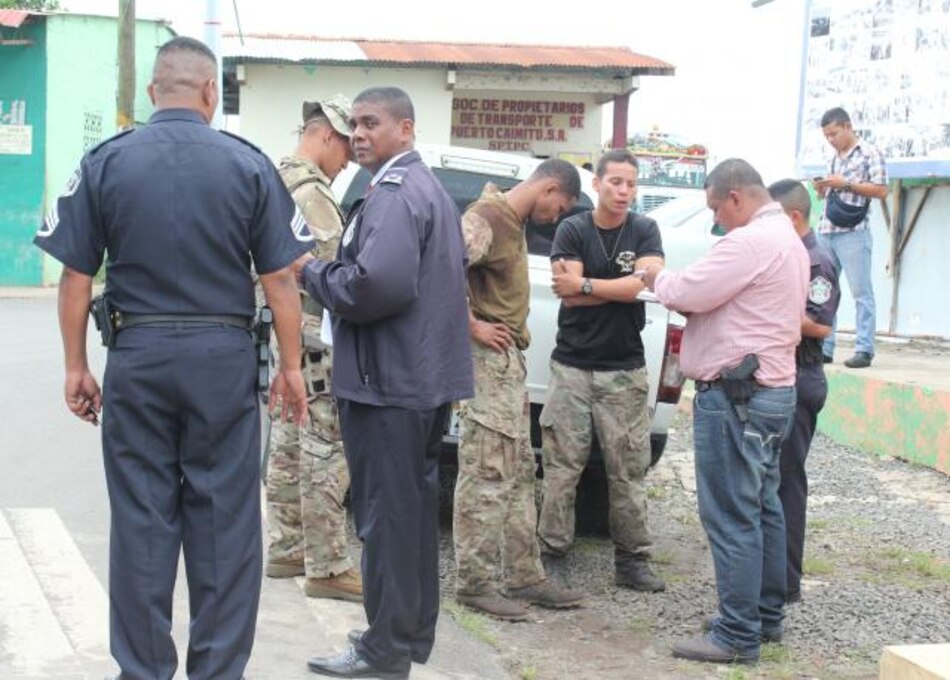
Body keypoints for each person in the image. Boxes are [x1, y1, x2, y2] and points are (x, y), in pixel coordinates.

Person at [33, 37, 310, 680]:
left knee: (141, 522)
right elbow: (280, 281)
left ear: (153, 92)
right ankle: (216, 672)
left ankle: (143, 671)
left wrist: (76, 366)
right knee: (225, 525)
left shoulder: (105, 161)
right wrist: (293, 369)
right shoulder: (248, 164)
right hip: (222, 359)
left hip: (139, 355)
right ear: (211, 92)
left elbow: (76, 277)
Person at [297, 86, 473, 680]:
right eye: (356, 125)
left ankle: (383, 652)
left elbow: (377, 287)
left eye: (373, 123)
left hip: (388, 384)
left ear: (407, 129)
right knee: (409, 520)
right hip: (411, 380)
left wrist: (314, 272)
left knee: (386, 521)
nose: (361, 134)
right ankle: (401, 635)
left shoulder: (398, 194)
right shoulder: (418, 188)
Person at [642, 158, 809, 664]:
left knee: (733, 514)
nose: (717, 221)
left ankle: (738, 635)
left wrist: (655, 274)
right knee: (762, 506)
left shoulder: (750, 241)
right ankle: (763, 616)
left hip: (738, 395)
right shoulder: (788, 238)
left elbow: (689, 291)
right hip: (769, 391)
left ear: (735, 197)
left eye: (717, 209)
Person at [453, 159, 586, 621]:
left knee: (517, 472)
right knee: (486, 471)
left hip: (507, 363)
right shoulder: (488, 216)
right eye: (560, 206)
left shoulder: (510, 219)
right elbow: (437, 267)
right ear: (549, 188)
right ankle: (474, 583)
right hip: (487, 360)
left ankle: (524, 575)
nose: (555, 216)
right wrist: (471, 325)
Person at [538, 149, 666, 593]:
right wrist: (622, 289)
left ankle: (632, 561)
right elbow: (567, 296)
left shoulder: (645, 229)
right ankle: (552, 554)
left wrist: (589, 284)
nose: (624, 191)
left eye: (631, 184)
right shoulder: (573, 227)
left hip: (624, 371)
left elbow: (646, 285)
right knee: (561, 469)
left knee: (628, 471)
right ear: (597, 184)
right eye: (616, 182)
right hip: (572, 367)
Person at [263, 95, 363, 602]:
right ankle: (326, 565)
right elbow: (328, 270)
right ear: (326, 135)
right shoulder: (312, 192)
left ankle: (287, 546)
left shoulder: (273, 177)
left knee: (287, 437)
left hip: (281, 335)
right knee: (326, 445)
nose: (349, 157)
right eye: (345, 144)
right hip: (311, 334)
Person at [768, 179, 841, 604]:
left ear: (793, 217)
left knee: (787, 483)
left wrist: (767, 308)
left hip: (802, 375)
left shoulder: (817, 260)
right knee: (771, 480)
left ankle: (786, 583)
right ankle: (773, 577)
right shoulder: (792, 255)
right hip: (785, 375)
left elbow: (819, 324)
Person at [812, 107, 888, 369]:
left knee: (861, 292)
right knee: (824, 290)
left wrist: (844, 183)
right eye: (827, 136)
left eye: (834, 133)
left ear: (847, 126)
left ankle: (864, 349)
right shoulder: (832, 157)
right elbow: (827, 196)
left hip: (854, 232)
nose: (831, 140)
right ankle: (825, 347)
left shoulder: (870, 153)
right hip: (827, 229)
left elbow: (881, 190)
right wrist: (822, 188)